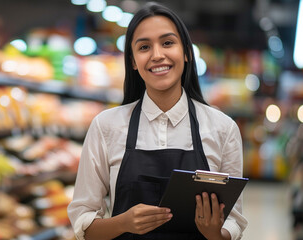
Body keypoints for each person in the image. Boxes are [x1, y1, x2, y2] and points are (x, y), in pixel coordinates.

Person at [67, 2, 248, 240]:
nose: (157, 55)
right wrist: (123, 222)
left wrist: (215, 234)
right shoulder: (106, 126)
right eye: (144, 47)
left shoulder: (222, 128)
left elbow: (234, 220)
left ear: (186, 52)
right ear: (132, 61)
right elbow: (84, 223)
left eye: (167, 43)